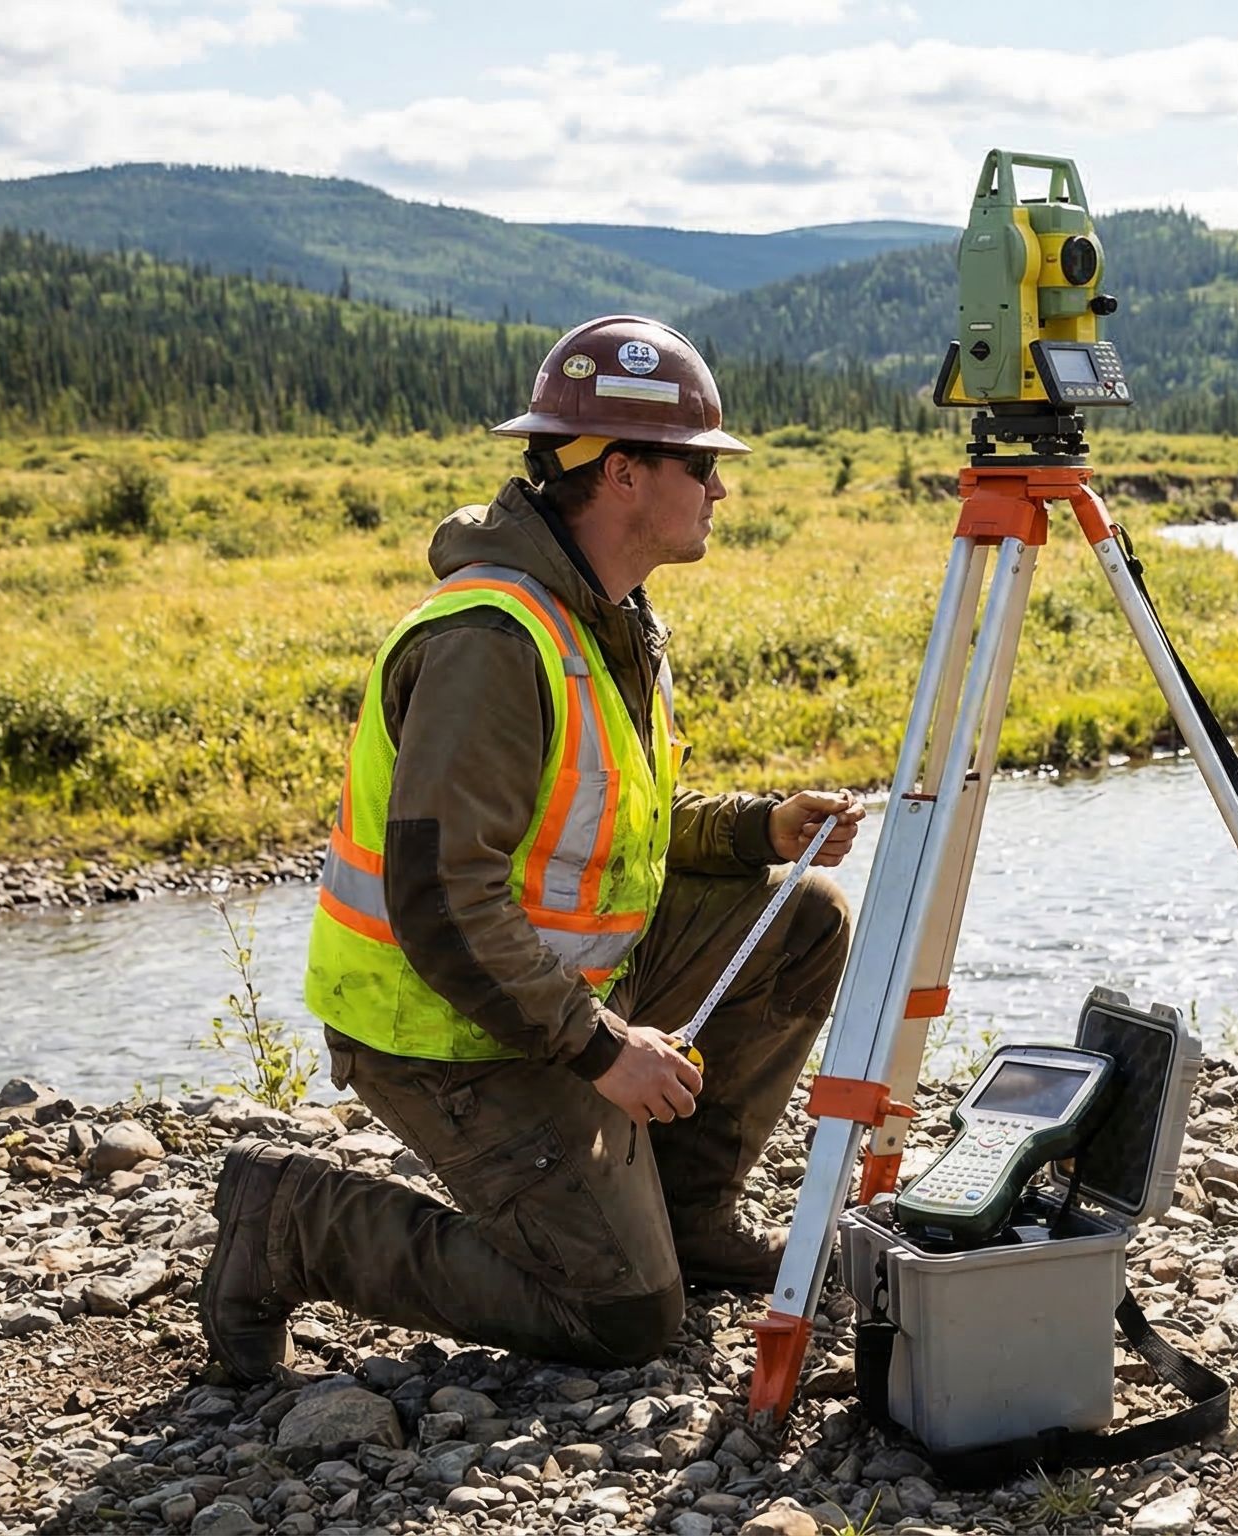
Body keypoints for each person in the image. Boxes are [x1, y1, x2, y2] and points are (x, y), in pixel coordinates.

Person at [197, 315, 860, 1378]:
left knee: (804, 918)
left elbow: (608, 828)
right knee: (621, 1319)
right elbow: (446, 902)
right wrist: (604, 1051)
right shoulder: (493, 642)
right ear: (623, 474)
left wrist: (755, 830)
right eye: (702, 465)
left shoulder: (608, 615)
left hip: (544, 991)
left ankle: (683, 1220)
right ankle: (292, 1222)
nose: (721, 490)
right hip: (445, 1026)